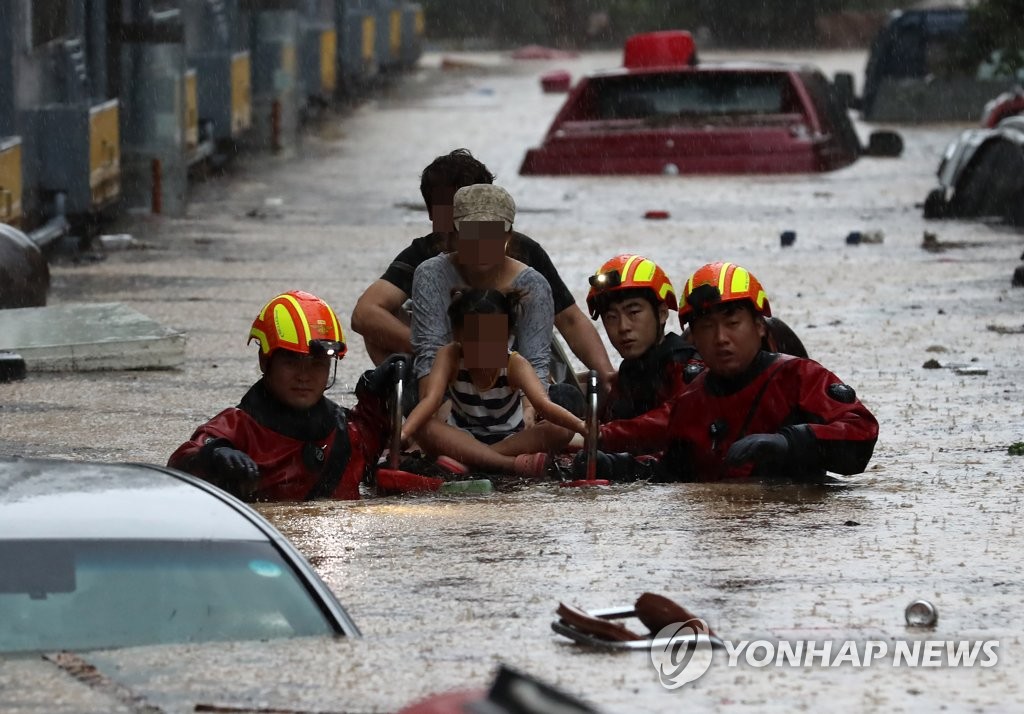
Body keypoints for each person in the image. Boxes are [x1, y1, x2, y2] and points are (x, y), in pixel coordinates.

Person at [575, 262, 879, 482]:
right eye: (706, 327)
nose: (720, 338)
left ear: (759, 326)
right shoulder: (691, 402)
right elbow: (674, 473)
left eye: (732, 323)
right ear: (693, 335)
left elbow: (861, 432)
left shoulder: (799, 377)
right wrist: (617, 467)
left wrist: (789, 444)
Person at [350, 148, 614, 385]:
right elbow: (366, 313)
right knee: (380, 329)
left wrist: (606, 375)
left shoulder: (524, 253)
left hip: (512, 368)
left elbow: (569, 319)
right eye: (454, 215)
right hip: (444, 367)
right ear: (433, 213)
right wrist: (451, 353)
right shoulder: (424, 256)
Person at [168, 290, 399, 501]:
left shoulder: (346, 431)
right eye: (291, 362)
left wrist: (376, 392)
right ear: (265, 361)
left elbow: (376, 448)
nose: (304, 376)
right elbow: (178, 468)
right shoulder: (235, 428)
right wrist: (213, 455)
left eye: (317, 364)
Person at [403, 287, 586, 476]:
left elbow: (543, 405)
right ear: (459, 336)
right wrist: (404, 433)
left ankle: (473, 461)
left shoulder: (515, 364)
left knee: (561, 429)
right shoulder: (450, 355)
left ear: (507, 337)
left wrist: (581, 426)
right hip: (462, 438)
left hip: (510, 440)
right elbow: (431, 400)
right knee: (423, 426)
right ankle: (509, 465)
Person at [585, 254, 697, 421]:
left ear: (662, 313)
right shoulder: (629, 372)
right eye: (611, 317)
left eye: (634, 312)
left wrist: (601, 436)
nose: (623, 327)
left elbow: (674, 420)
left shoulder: (685, 367)